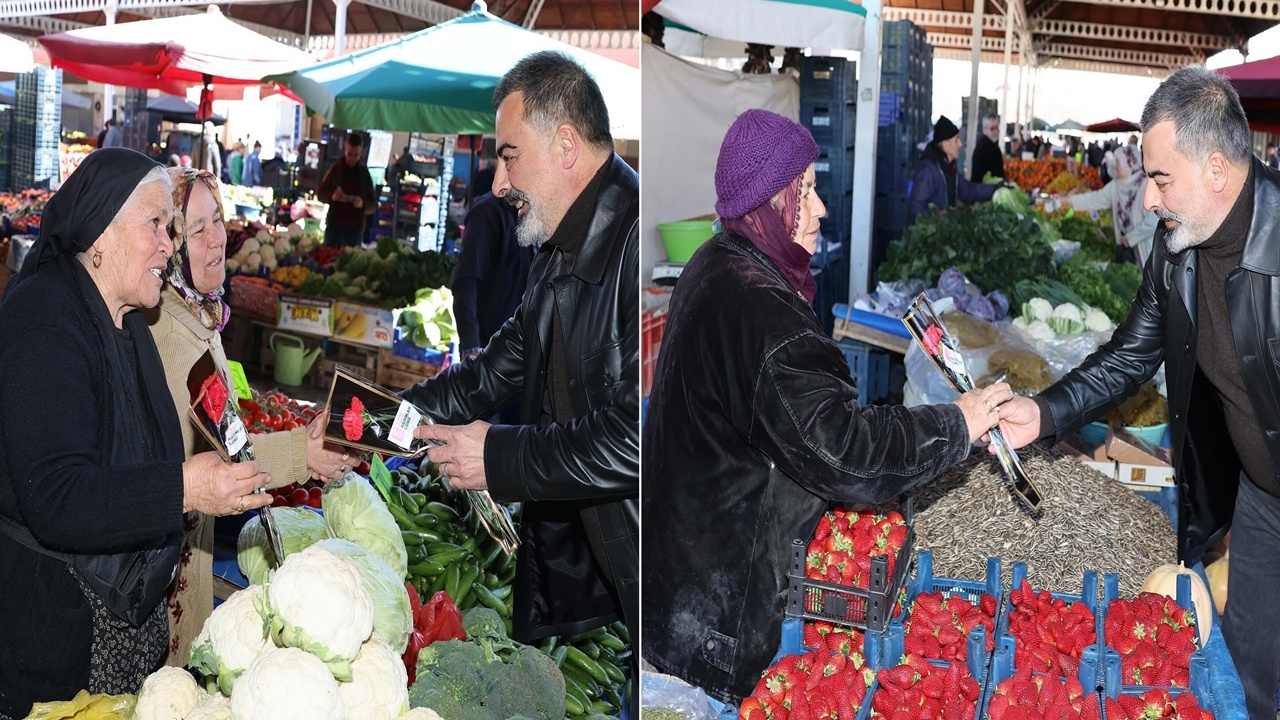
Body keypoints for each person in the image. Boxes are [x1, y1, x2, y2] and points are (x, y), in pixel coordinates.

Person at [641, 109, 1013, 706]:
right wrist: (958, 422)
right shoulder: (764, 316)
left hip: (678, 587)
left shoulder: (715, 262)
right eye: (804, 193)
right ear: (766, 205)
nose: (819, 210)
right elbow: (846, 452)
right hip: (718, 622)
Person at [997, 65, 1280, 720]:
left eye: (1160, 179)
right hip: (1262, 499)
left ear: (1216, 170)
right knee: (1247, 677)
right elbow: (1129, 355)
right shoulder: (1178, 248)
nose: (1146, 199)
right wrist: (1042, 412)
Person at [0, 149, 273, 719]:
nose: (169, 245)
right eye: (157, 225)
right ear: (99, 233)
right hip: (52, 636)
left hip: (118, 629)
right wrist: (183, 491)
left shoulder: (127, 319)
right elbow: (57, 496)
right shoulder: (44, 319)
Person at [400, 50, 639, 665]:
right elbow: (487, 376)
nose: (498, 183)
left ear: (565, 145)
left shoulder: (635, 248)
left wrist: (499, 455)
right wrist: (378, 421)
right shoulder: (557, 252)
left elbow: (637, 436)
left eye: (508, 157)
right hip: (607, 567)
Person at [147, 168, 350, 666]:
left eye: (218, 219)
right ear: (167, 245)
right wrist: (304, 452)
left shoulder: (195, 313)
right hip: (168, 576)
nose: (218, 238)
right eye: (196, 231)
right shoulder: (176, 341)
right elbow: (228, 457)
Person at [450, 191, 534, 425]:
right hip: (489, 355)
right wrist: (470, 344)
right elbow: (465, 280)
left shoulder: (533, 214)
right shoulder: (488, 213)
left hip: (521, 355)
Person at [1056, 142, 1157, 266]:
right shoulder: (1116, 185)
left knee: (1147, 277)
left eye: (1118, 162)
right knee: (1130, 278)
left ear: (1128, 163)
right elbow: (1094, 199)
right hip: (1124, 247)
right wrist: (1067, 200)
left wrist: (1131, 238)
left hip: (1145, 246)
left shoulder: (1146, 186)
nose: (1115, 166)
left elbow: (1154, 221)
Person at [907, 115, 999, 224]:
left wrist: (996, 189)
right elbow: (915, 207)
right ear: (946, 145)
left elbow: (967, 190)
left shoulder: (949, 168)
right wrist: (938, 216)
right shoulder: (928, 170)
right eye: (956, 140)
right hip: (929, 237)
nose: (960, 144)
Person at [318, 133, 376, 248]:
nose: (352, 159)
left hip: (355, 229)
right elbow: (320, 194)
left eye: (356, 155)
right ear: (345, 149)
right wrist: (332, 197)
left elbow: (373, 205)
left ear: (361, 153)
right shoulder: (336, 169)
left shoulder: (364, 174)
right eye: (350, 154)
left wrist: (362, 204)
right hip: (334, 226)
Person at [970, 113, 1006, 182]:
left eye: (997, 127)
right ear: (984, 130)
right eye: (992, 129)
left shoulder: (992, 145)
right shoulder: (983, 149)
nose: (996, 131)